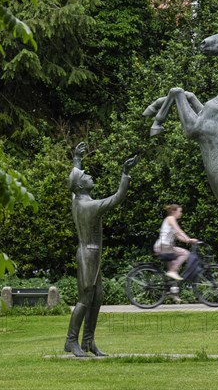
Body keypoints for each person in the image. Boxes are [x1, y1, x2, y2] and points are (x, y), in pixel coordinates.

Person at [64, 142, 138, 357]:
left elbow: (73, 186)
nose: (90, 177)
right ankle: (71, 341)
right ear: (80, 186)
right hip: (89, 254)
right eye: (85, 176)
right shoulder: (89, 206)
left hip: (90, 254)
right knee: (85, 299)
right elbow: (117, 198)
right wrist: (125, 173)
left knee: (96, 298)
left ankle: (88, 342)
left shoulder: (77, 200)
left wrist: (77, 160)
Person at [153, 204, 198, 281]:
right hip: (164, 246)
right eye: (180, 211)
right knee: (185, 253)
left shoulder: (170, 220)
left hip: (164, 247)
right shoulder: (171, 218)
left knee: (172, 275)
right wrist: (188, 239)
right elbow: (178, 230)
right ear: (174, 211)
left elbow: (179, 236)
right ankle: (172, 271)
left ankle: (169, 290)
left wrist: (189, 241)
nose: (181, 213)